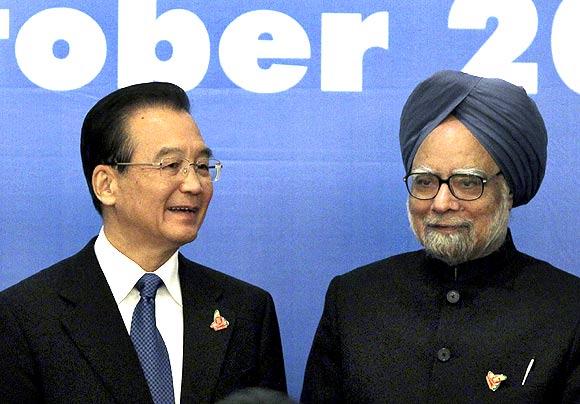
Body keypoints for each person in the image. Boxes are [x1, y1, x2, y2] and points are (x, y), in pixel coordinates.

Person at [301, 70, 580, 403]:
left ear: (508, 190)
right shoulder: (353, 300)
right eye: (424, 182)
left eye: (467, 183)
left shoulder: (568, 310)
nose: (441, 202)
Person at [0, 82, 286, 403]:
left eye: (202, 166)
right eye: (170, 165)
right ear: (107, 185)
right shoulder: (24, 317)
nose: (193, 184)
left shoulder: (246, 310)